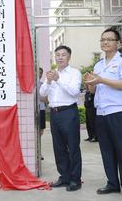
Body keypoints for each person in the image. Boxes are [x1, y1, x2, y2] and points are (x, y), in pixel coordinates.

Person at [84, 28, 122, 201]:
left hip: (118, 112)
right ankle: (113, 183)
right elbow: (94, 89)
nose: (105, 42)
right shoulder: (98, 65)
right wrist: (90, 83)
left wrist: (100, 79)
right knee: (106, 150)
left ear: (118, 43)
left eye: (109, 39)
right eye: (102, 39)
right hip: (101, 112)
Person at [40, 45, 82, 192]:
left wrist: (58, 80)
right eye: (57, 55)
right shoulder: (51, 73)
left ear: (69, 57)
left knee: (73, 147)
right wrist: (50, 81)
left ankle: (75, 180)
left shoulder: (75, 73)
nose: (60, 57)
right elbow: (42, 93)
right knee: (58, 147)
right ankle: (64, 177)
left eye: (63, 55)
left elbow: (74, 92)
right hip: (54, 113)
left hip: (69, 112)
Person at [37, 67, 46, 160]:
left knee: (40, 132)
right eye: (37, 72)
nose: (39, 74)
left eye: (40, 73)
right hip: (33, 110)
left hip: (42, 109)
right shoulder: (30, 84)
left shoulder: (43, 85)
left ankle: (39, 152)